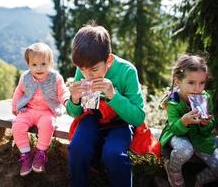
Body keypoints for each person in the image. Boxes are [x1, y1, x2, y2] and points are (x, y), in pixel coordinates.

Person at [66, 23, 145, 187]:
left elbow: (138, 118)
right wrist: (74, 99)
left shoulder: (127, 71)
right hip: (92, 117)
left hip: (120, 123)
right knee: (77, 149)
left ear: (108, 60)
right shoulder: (84, 68)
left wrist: (113, 95)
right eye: (82, 69)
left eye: (93, 69)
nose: (87, 74)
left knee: (114, 154)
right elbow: (75, 113)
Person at [159, 54, 218, 187]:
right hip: (176, 134)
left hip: (199, 137)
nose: (197, 88)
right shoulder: (173, 99)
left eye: (202, 83)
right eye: (191, 82)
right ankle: (173, 170)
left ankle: (197, 181)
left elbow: (211, 123)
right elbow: (174, 127)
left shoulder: (205, 97)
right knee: (185, 150)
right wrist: (184, 121)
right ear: (178, 81)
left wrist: (206, 123)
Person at [11, 42, 70, 176]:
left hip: (47, 111)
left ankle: (40, 153)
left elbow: (62, 92)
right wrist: (15, 106)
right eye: (34, 64)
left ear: (50, 63)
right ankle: (26, 155)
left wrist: (67, 100)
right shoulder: (25, 77)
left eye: (43, 64)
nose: (39, 68)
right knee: (17, 125)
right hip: (28, 109)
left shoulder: (56, 78)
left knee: (48, 124)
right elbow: (18, 92)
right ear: (28, 65)